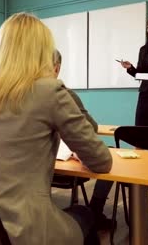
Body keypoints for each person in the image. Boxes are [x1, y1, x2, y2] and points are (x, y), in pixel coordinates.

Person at [0, 13, 112, 245]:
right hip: (24, 229)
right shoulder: (50, 92)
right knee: (84, 213)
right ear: (43, 51)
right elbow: (102, 161)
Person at [53, 49, 115, 230]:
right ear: (56, 69)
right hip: (60, 163)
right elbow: (92, 128)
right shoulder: (62, 94)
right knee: (107, 152)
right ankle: (96, 209)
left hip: (1, 209)